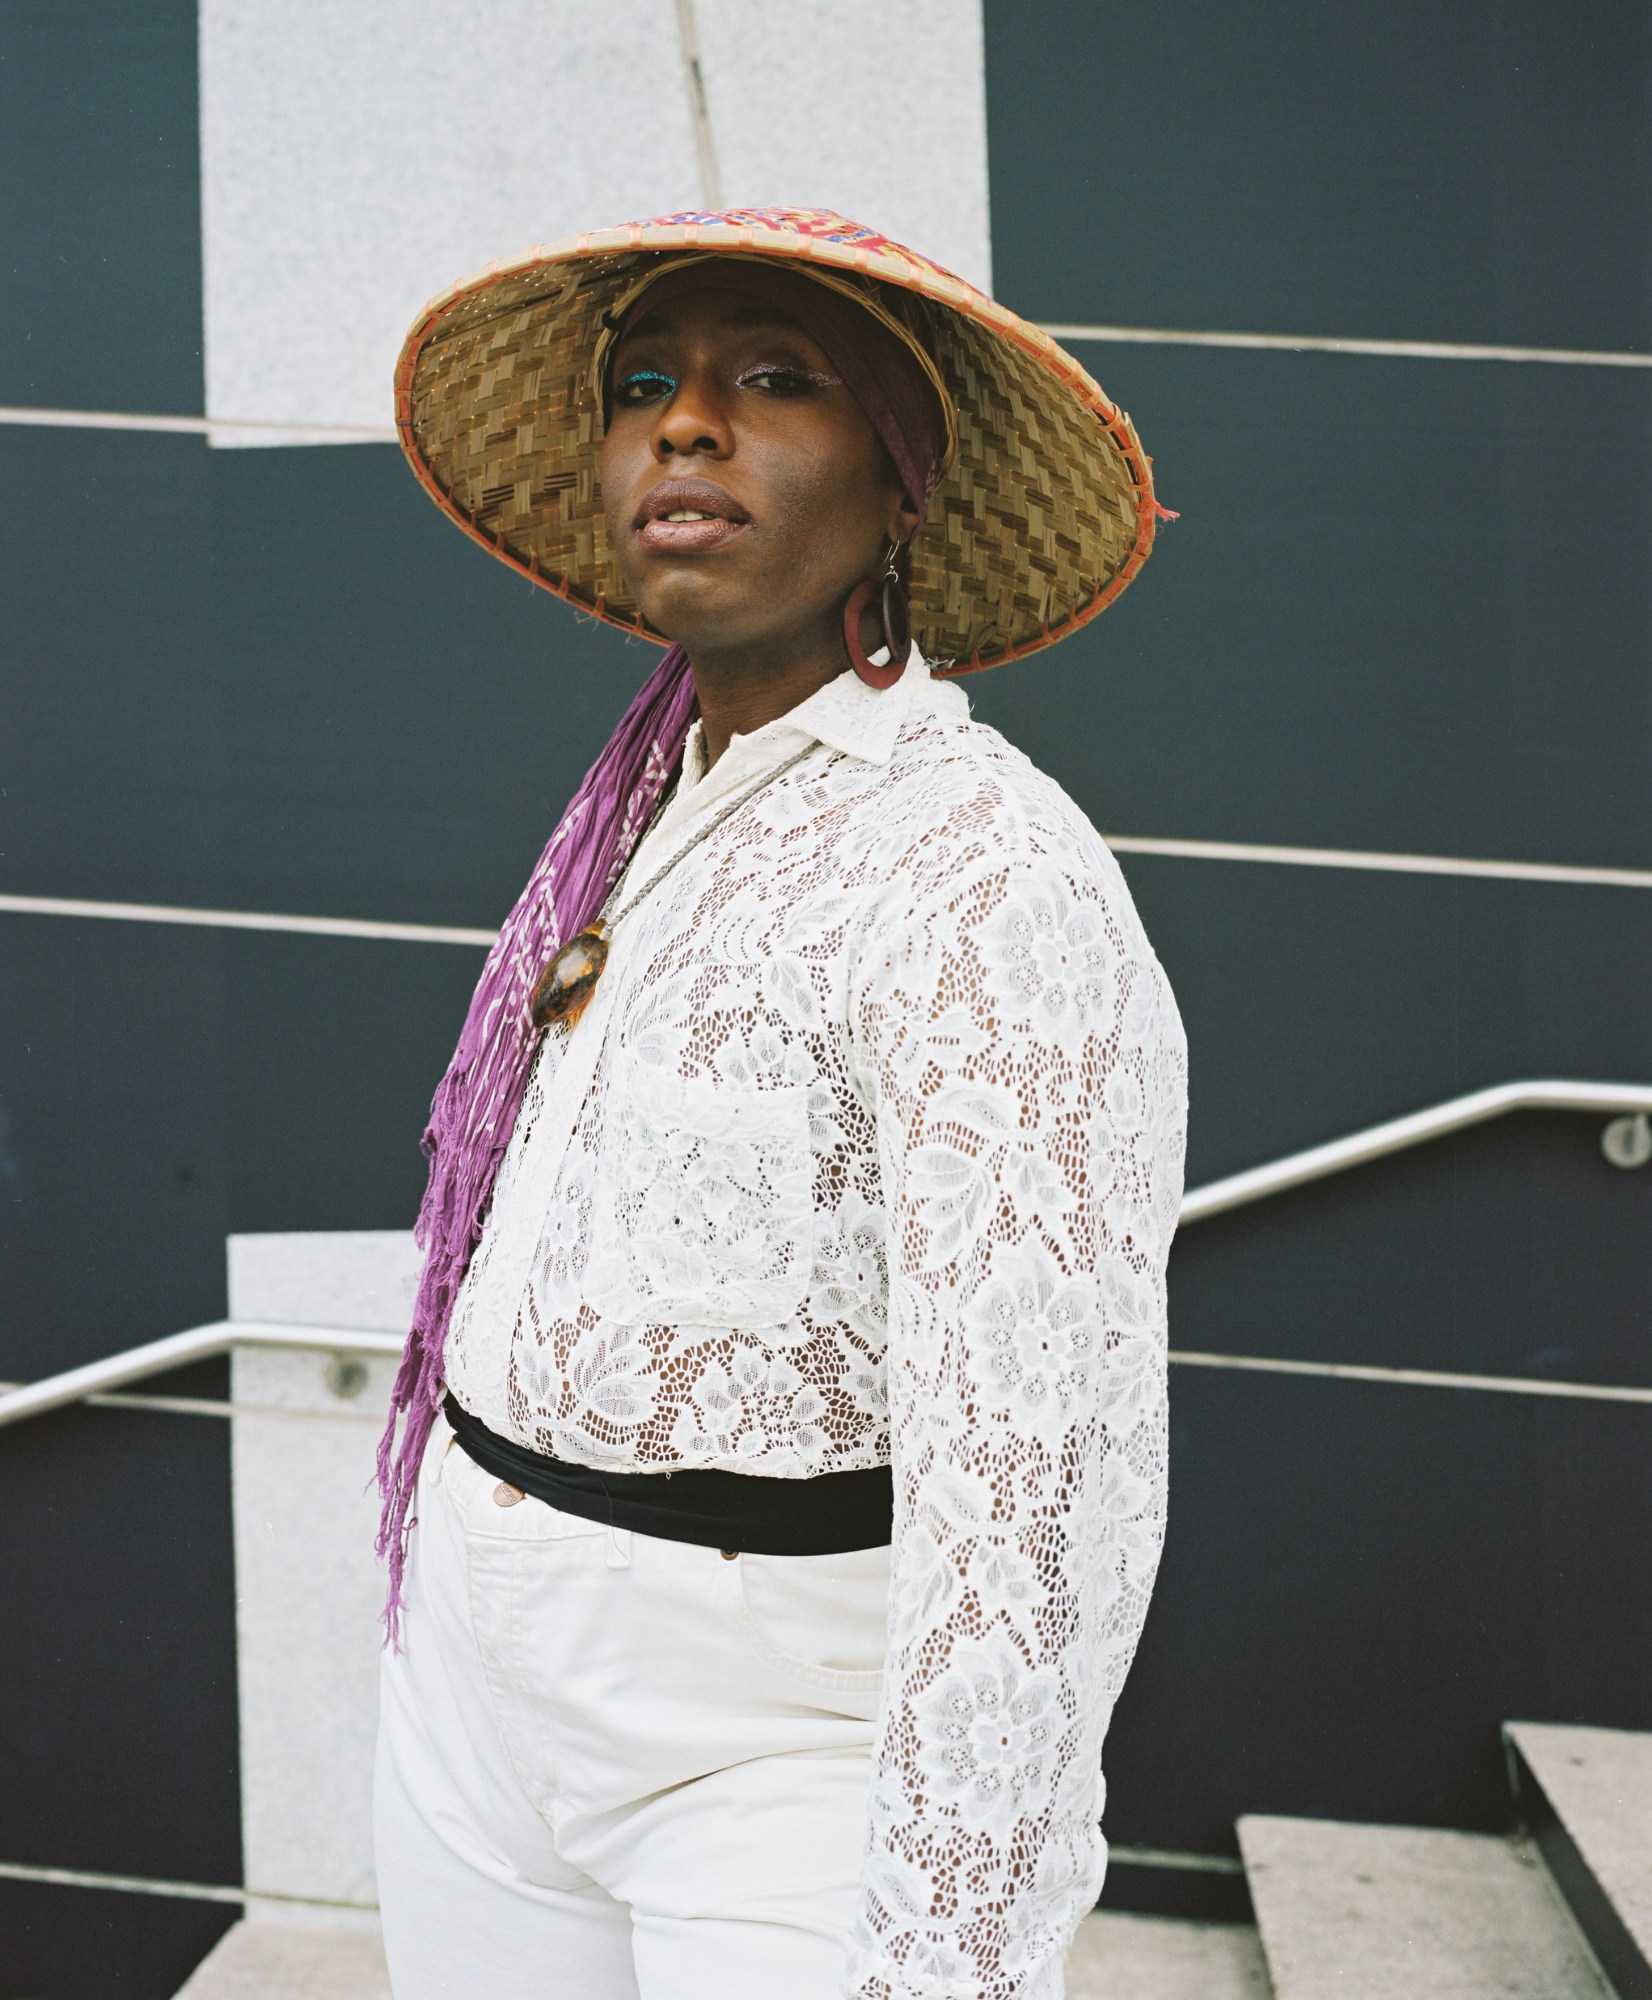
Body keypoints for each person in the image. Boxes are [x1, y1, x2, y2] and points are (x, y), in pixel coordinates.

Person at [371, 207, 1188, 2000]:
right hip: (477, 1685)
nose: (682, 423)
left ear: (900, 488)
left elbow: (1040, 1477)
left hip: (775, 1740)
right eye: (645, 384)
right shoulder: (640, 809)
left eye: (774, 379)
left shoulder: (984, 874)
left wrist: (953, 1938)